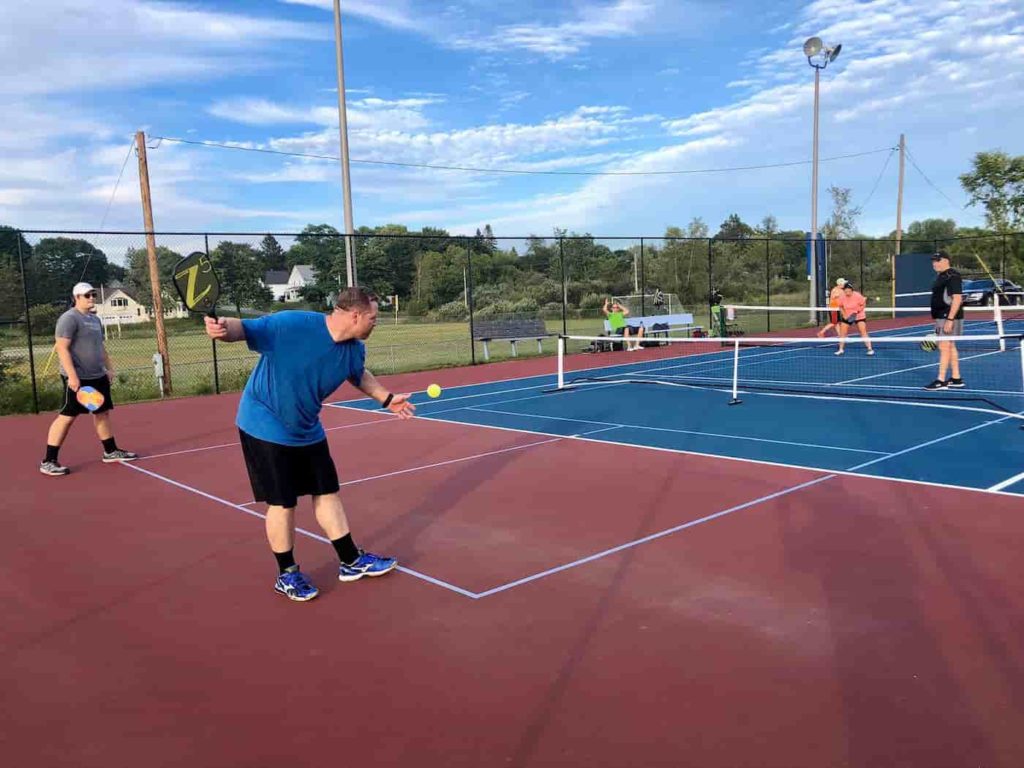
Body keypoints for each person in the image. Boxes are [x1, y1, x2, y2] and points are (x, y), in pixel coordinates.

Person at [205, 287, 416, 602]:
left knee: (326, 492)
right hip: (264, 422)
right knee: (283, 502)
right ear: (355, 315)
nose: (376, 323)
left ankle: (350, 561)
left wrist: (386, 398)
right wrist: (222, 329)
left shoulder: (354, 350)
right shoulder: (292, 325)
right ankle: (287, 574)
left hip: (307, 427)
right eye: (373, 318)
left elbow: (358, 375)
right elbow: (243, 329)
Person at [39, 282, 137, 476]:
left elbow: (101, 347)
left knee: (102, 413)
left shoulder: (95, 320)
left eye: (93, 294)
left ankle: (110, 451)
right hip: (78, 378)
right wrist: (73, 377)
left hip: (97, 376)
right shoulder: (69, 319)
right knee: (67, 417)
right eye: (87, 295)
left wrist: (108, 368)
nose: (92, 298)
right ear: (76, 298)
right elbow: (62, 348)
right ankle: (48, 460)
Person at [925, 251, 965, 390]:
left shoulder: (952, 275)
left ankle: (940, 380)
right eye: (933, 261)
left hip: (947, 317)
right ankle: (956, 378)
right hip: (941, 317)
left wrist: (949, 319)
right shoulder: (941, 276)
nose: (934, 263)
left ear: (946, 261)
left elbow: (957, 298)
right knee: (950, 346)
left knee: (944, 346)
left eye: (938, 260)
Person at [834, 282, 874, 356]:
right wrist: (844, 314)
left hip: (859, 315)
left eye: (849, 291)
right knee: (842, 333)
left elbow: (863, 304)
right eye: (846, 291)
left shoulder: (857, 295)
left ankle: (869, 349)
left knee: (863, 331)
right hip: (848, 315)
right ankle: (840, 349)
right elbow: (840, 306)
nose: (847, 293)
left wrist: (858, 311)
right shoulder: (842, 296)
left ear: (852, 290)